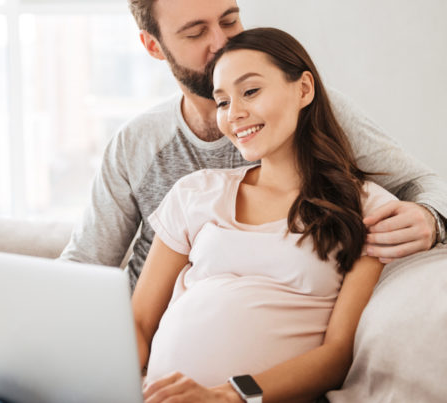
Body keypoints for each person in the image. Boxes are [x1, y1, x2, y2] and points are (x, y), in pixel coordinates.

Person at [0, 1, 446, 402]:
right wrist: (75, 355)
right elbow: (92, 269)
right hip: (128, 356)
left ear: (302, 89)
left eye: (229, 20)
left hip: (216, 383)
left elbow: (421, 188)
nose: (220, 44)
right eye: (195, 32)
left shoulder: (339, 159)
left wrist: (430, 218)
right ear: (154, 47)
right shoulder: (159, 161)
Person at [133, 27, 396, 403]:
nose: (234, 114)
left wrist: (230, 396)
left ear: (304, 89)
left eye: (250, 91)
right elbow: (139, 323)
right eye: (222, 102)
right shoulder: (196, 192)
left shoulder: (366, 208)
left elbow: (337, 355)